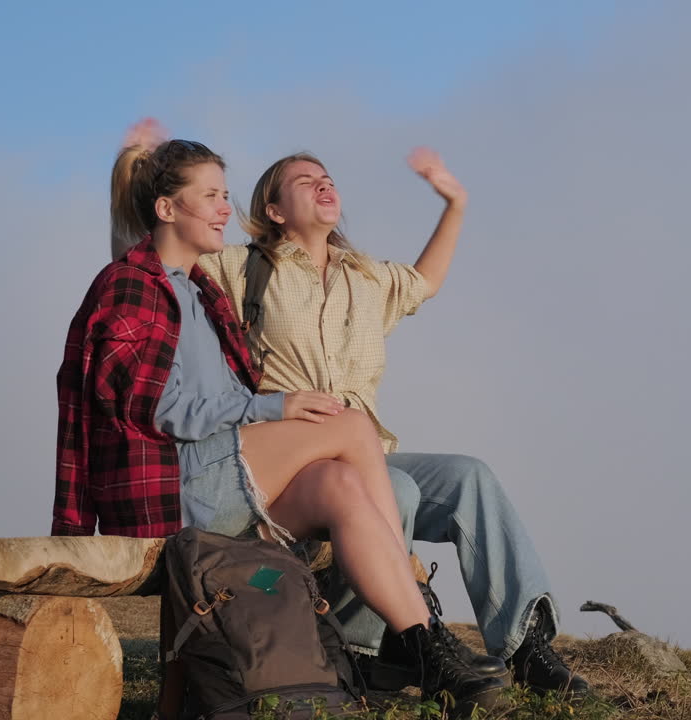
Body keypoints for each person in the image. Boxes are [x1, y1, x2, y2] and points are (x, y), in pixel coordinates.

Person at [53, 137, 505, 717]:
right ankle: (424, 632)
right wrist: (273, 408)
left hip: (212, 473)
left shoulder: (200, 293)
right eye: (211, 196)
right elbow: (153, 409)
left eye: (225, 194)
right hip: (169, 486)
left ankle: (421, 647)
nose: (224, 208)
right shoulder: (136, 285)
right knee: (351, 430)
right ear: (168, 209)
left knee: (341, 487)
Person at [196, 148, 590, 696]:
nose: (323, 186)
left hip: (367, 449)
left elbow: (425, 280)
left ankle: (526, 646)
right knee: (399, 490)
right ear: (276, 210)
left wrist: (456, 203)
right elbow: (165, 256)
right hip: (295, 458)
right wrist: (142, 172)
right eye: (305, 182)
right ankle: (368, 650)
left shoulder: (367, 277)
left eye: (327, 179)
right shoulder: (244, 268)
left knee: (469, 476)